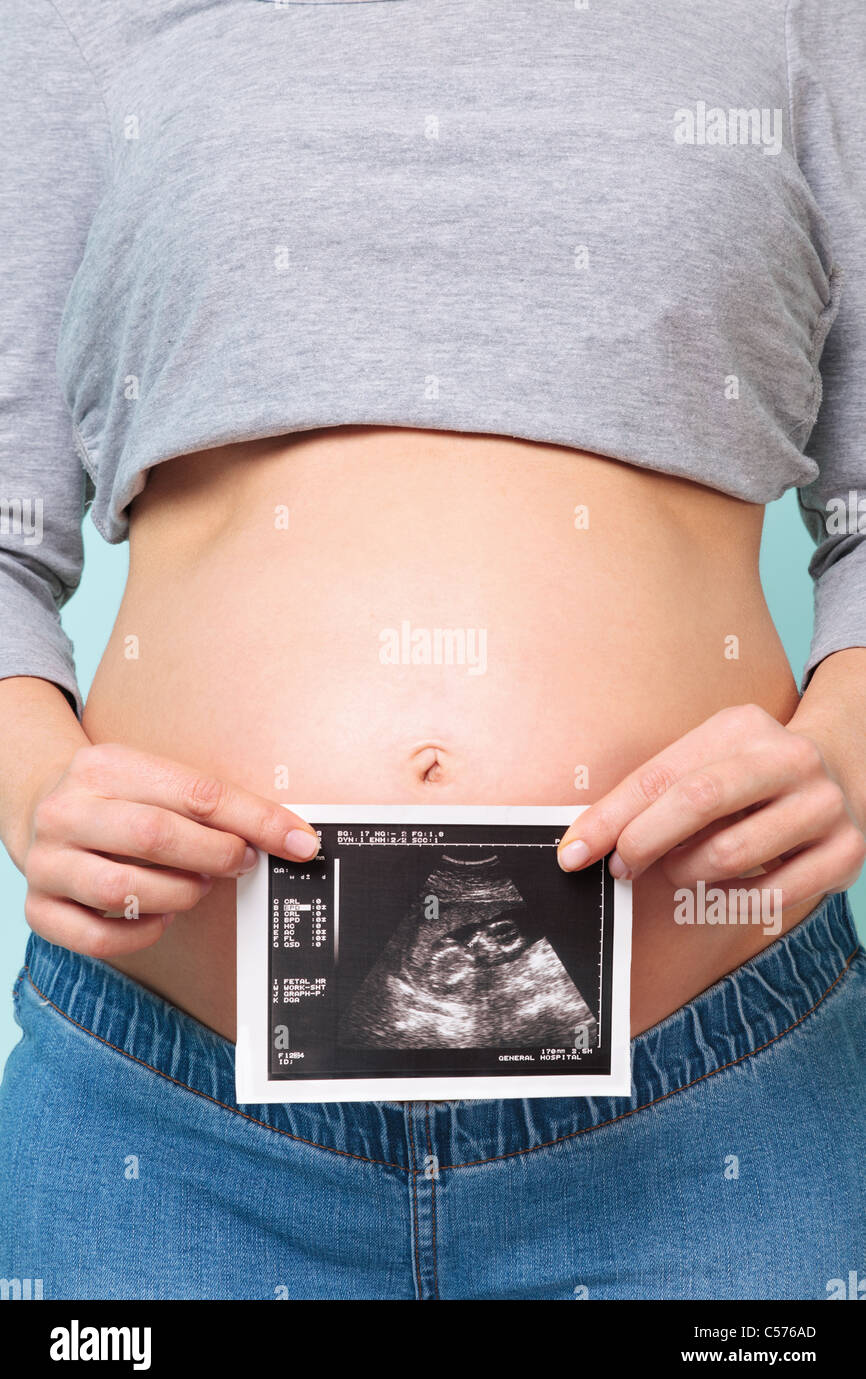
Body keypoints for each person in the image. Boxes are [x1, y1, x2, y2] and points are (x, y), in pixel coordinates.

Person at [0, 0, 864, 1300]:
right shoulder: (73, 24)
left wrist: (843, 744)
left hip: (713, 1095)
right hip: (168, 1116)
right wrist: (31, 784)